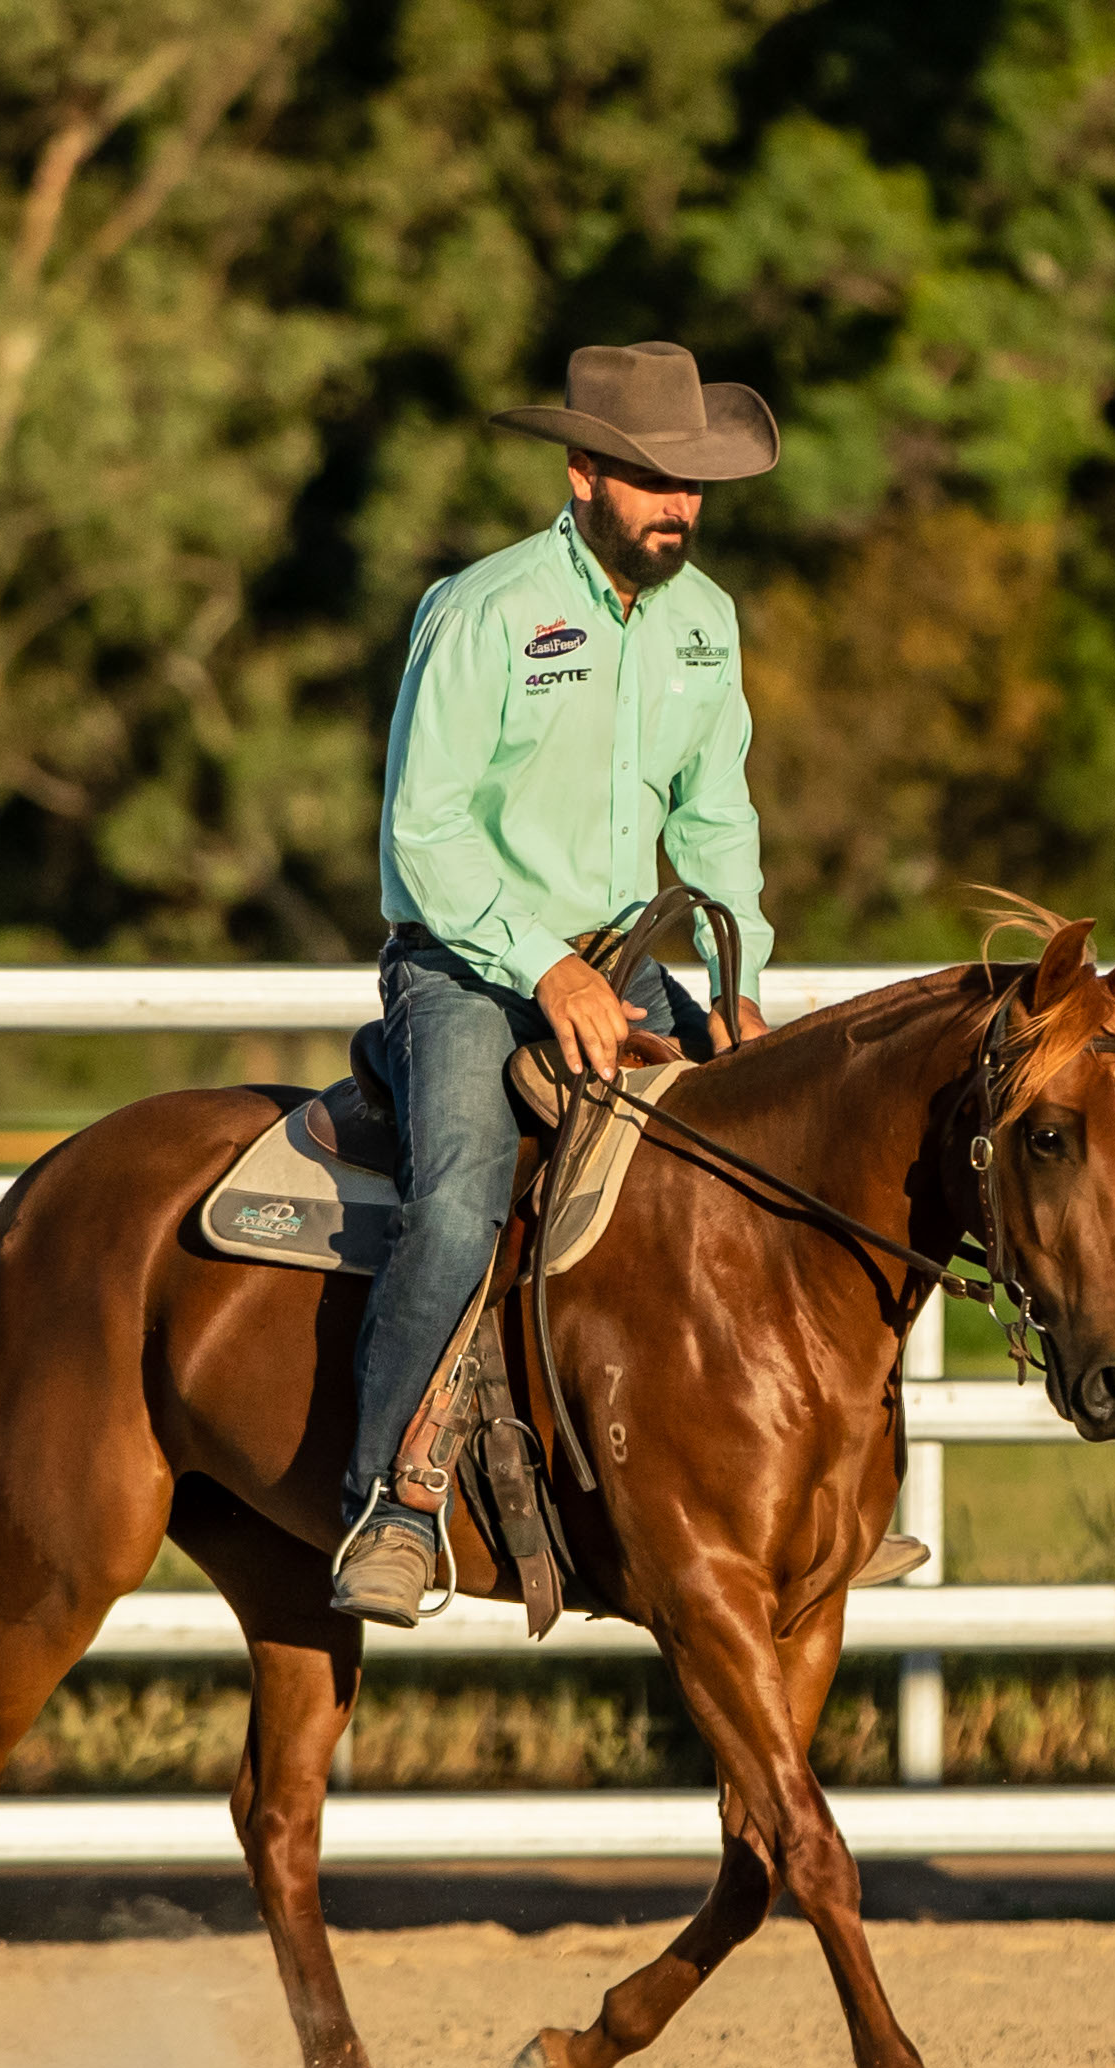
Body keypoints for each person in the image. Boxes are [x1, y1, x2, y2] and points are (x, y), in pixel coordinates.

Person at [330, 340, 779, 1623]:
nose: (678, 506)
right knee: (458, 1200)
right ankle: (390, 1502)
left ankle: (775, 1493)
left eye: (692, 484)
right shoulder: (485, 610)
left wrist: (736, 977)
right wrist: (545, 965)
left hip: (628, 961)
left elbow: (714, 819)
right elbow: (425, 831)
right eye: (651, 479)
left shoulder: (704, 624)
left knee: (766, 1172)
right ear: (582, 473)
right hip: (466, 964)